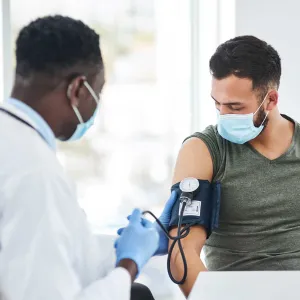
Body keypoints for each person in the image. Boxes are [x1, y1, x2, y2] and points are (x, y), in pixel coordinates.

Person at [0, 15, 176, 300]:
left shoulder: (13, 143)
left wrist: (122, 248)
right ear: (78, 89)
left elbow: (53, 254)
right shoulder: (36, 173)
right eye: (98, 92)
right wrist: (128, 264)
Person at [168, 35, 300, 297]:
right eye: (217, 104)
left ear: (271, 100)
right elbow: (181, 251)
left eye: (235, 107)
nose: (223, 115)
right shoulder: (204, 150)